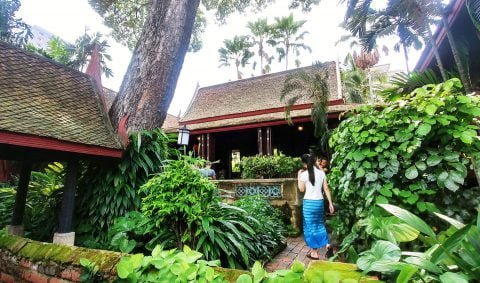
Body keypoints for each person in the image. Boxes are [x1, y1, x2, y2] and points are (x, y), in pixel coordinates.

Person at [298, 153, 334, 259]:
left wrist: (298, 176)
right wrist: (330, 203)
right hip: (319, 203)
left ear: (304, 163)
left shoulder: (303, 174)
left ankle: (314, 253)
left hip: (309, 204)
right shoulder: (321, 173)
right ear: (314, 161)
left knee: (310, 227)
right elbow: (326, 189)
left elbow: (301, 189)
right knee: (319, 225)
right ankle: (327, 245)